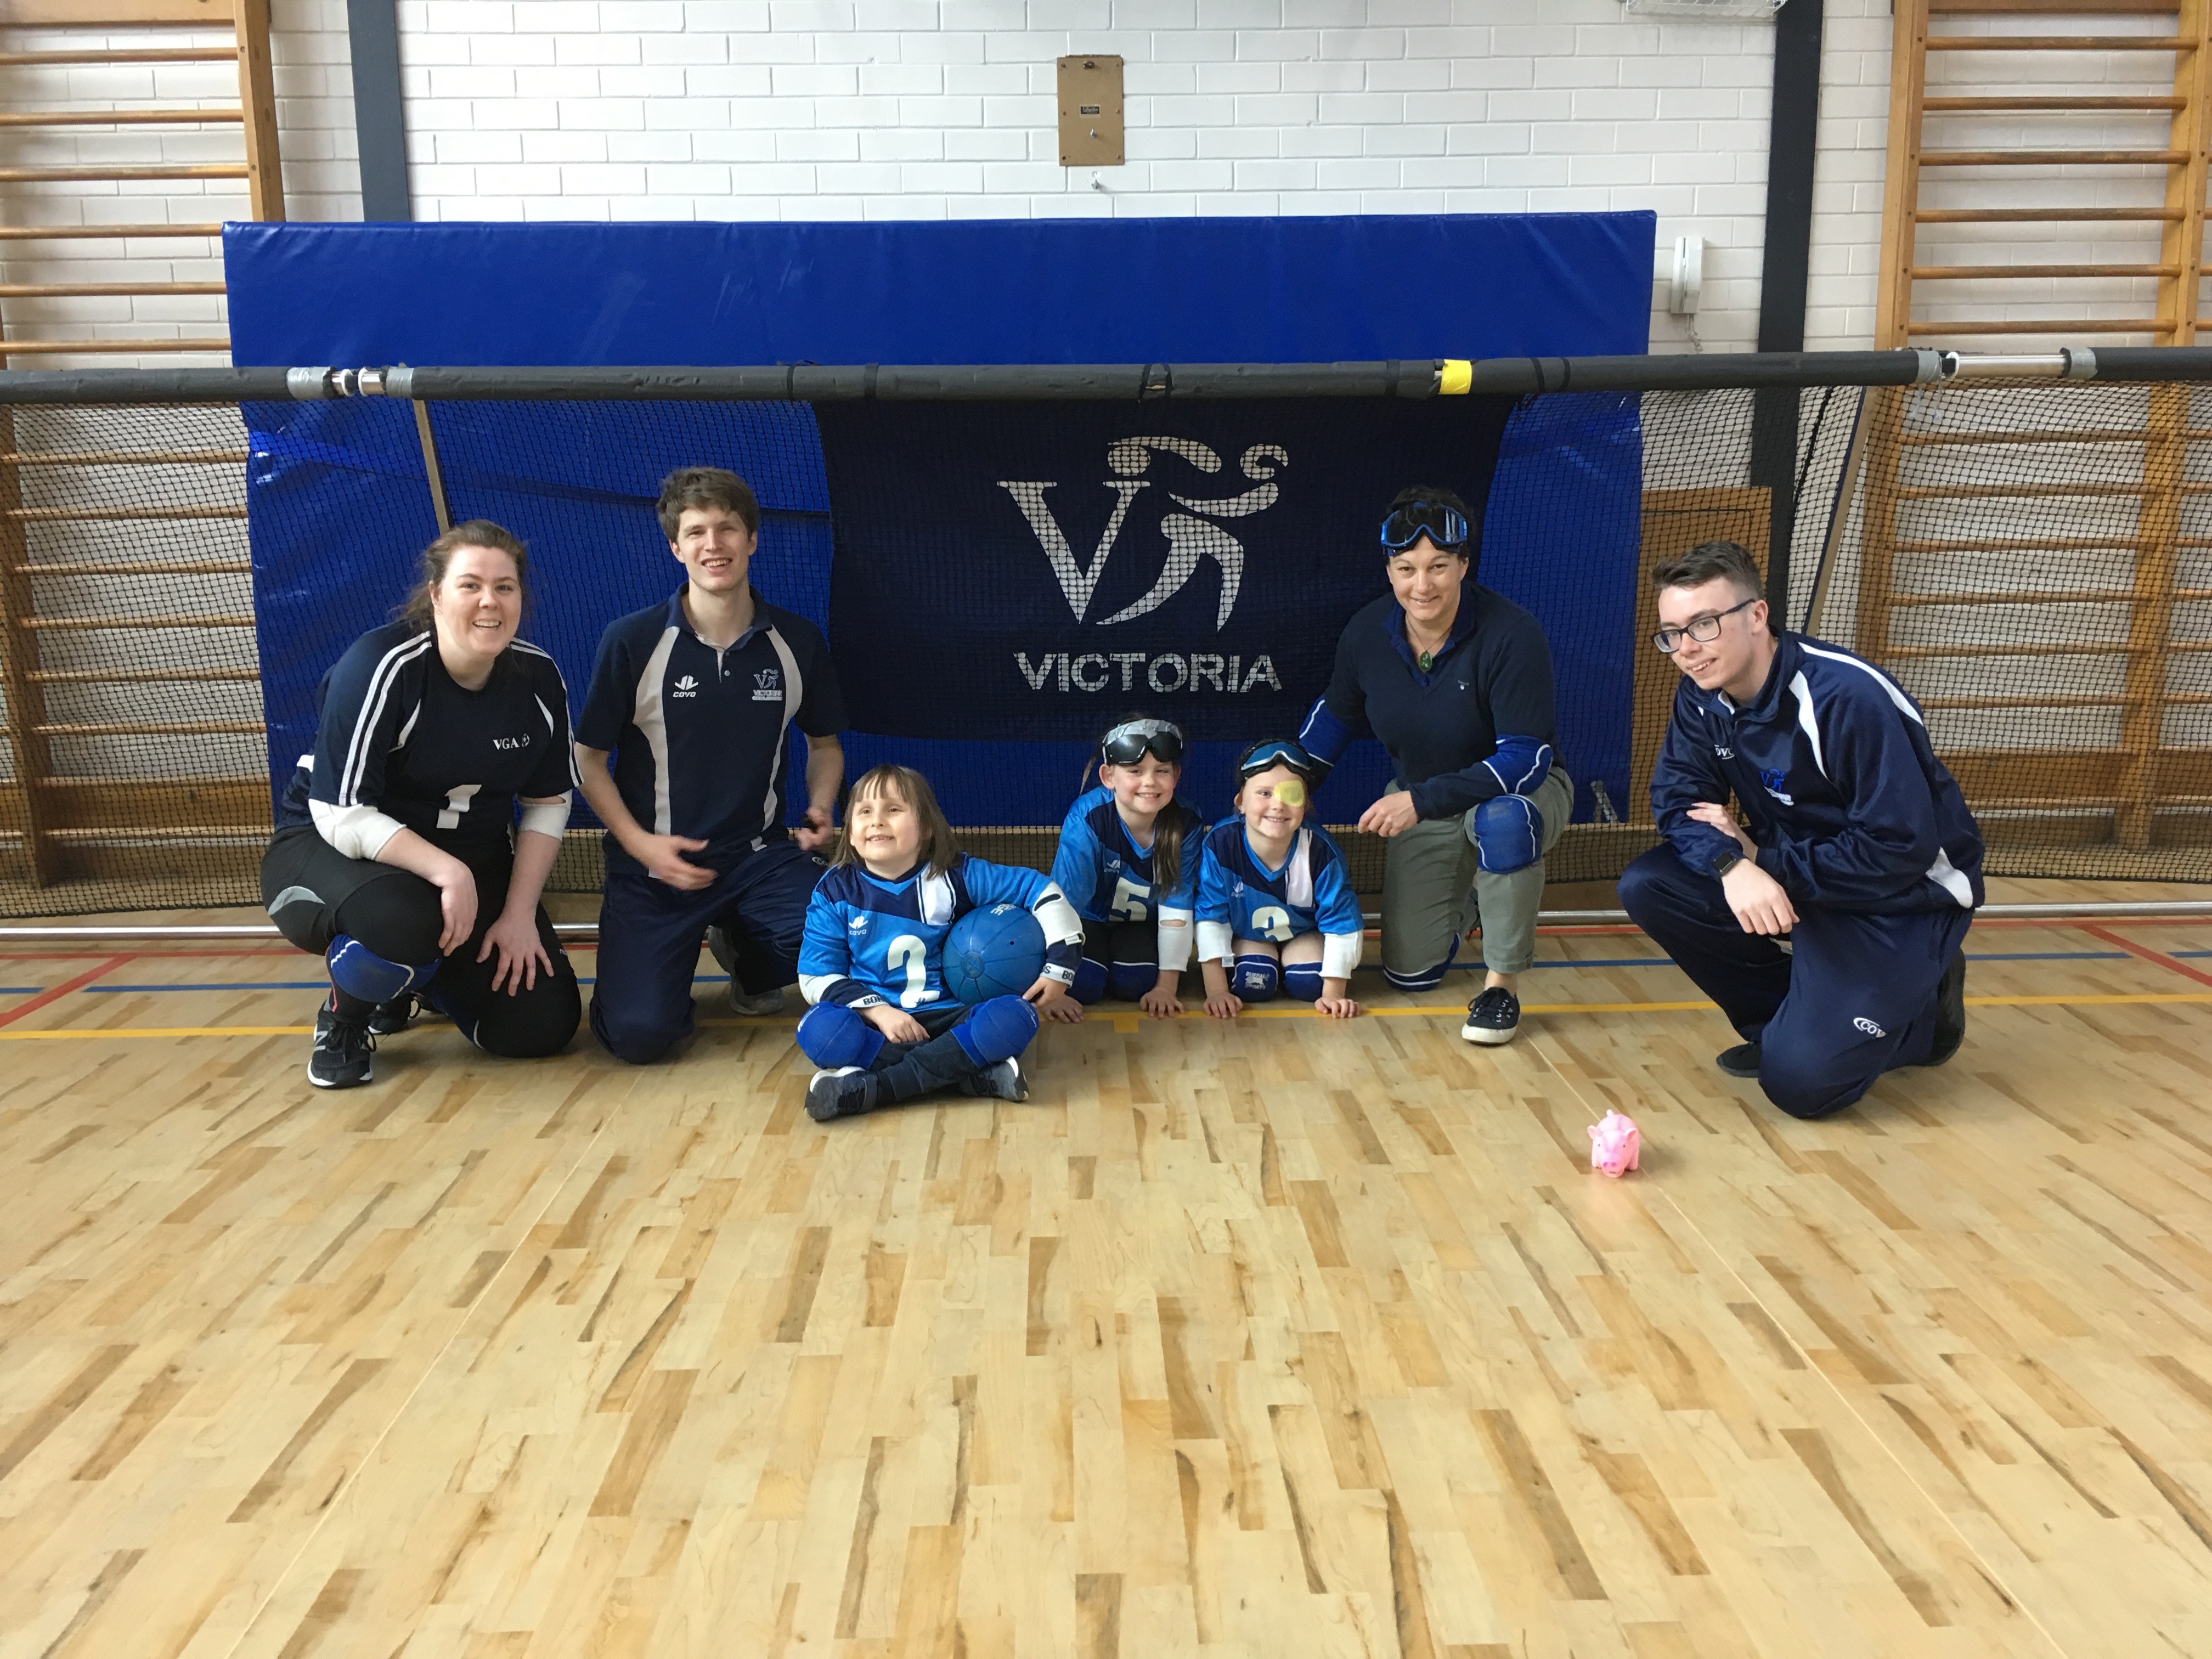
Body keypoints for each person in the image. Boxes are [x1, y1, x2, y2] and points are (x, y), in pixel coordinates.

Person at [1617, 539, 1980, 1120]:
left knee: (1802, 1087)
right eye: (1672, 632)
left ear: (1757, 615)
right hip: (1801, 877)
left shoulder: (1848, 698)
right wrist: (1732, 865)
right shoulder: (1702, 693)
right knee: (1649, 884)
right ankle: (1781, 1022)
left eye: (1704, 625)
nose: (1687, 649)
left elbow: (1899, 850)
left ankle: (1922, 1016)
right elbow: (1679, 800)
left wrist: (1765, 860)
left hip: (1900, 900)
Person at [261, 520, 583, 1089]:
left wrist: (515, 916)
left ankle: (420, 979)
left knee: (538, 1028)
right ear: (436, 594)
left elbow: (548, 802)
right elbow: (341, 812)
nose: (490, 601)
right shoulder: (383, 665)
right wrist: (447, 870)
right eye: (470, 585)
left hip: (467, 859)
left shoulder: (537, 677)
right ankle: (346, 1016)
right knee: (404, 922)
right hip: (333, 846)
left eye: (505, 587)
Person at [574, 466, 845, 1064]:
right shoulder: (632, 641)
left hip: (760, 859)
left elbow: (824, 745)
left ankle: (748, 956)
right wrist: (641, 846)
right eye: (696, 532)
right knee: (640, 1036)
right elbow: (588, 759)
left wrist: (822, 806)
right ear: (676, 547)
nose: (713, 545)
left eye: (727, 529)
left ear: (753, 539)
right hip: (655, 868)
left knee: (841, 930)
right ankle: (653, 980)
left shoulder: (797, 642)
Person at [1299, 486, 1571, 1047]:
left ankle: (1502, 988)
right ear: (1390, 570)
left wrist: (1419, 801)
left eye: (1439, 567)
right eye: (1406, 568)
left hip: (1518, 794)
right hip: (1426, 798)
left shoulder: (1513, 634)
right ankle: (1475, 892)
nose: (1422, 585)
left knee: (1501, 824)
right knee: (1410, 975)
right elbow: (1334, 718)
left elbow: (1524, 762)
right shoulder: (1366, 633)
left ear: (1465, 565)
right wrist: (1282, 783)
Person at [796, 764, 1085, 1121]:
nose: (877, 821)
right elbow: (814, 976)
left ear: (927, 827)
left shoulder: (954, 876)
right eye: (865, 811)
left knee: (1016, 1017)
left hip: (950, 1014)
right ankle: (967, 1073)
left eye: (894, 809)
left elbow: (1042, 890)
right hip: (876, 1023)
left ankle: (880, 1089)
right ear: (852, 834)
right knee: (818, 1030)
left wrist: (1060, 968)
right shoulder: (834, 890)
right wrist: (878, 1011)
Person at [1046, 716, 1206, 1021]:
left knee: (1136, 983)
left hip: (1141, 924)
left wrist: (1166, 987)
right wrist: (1057, 986)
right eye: (1136, 771)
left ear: (1176, 775)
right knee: (1083, 985)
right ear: (1108, 776)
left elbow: (1178, 900)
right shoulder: (1088, 817)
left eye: (1162, 771)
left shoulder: (1188, 822)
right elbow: (1067, 900)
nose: (1150, 782)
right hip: (1088, 920)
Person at [1195, 739, 1364, 1019]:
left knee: (1310, 983)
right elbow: (1211, 917)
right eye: (1264, 793)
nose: (1278, 805)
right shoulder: (1221, 844)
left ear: (1306, 804)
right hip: (1248, 935)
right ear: (1240, 802)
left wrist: (1333, 995)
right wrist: (1216, 992)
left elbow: (1342, 921)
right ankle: (1265, 960)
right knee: (1253, 982)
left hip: (1302, 935)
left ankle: (1292, 963)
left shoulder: (1320, 851)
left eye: (1292, 794)